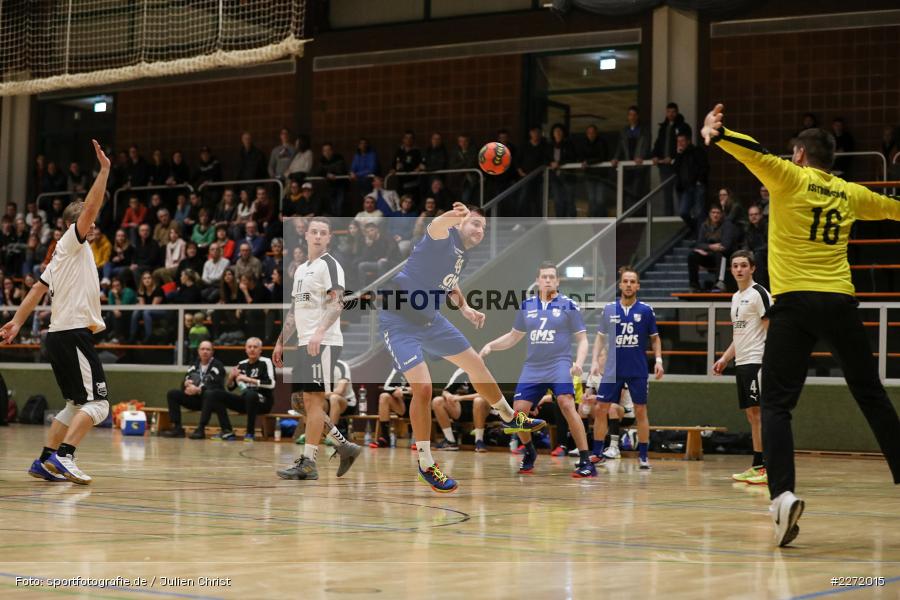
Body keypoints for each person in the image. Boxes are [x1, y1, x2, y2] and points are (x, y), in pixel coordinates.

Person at [701, 103, 900, 547]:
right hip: (841, 301)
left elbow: (753, 153)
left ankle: (782, 496)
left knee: (775, 404)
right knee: (870, 394)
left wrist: (719, 132)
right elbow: (893, 209)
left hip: (794, 303)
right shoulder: (850, 193)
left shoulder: (790, 177)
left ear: (800, 156)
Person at [378, 202, 546, 492]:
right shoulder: (442, 239)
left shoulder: (461, 256)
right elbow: (436, 225)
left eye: (483, 227)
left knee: (476, 366)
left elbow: (450, 284)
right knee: (424, 389)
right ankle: (426, 464)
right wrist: (454, 215)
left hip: (431, 319)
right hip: (399, 321)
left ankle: (509, 416)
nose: (480, 230)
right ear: (460, 225)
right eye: (475, 223)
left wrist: (466, 309)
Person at [1, 139, 111, 485]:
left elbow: (36, 289)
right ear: (74, 223)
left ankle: (46, 460)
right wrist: (105, 170)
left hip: (60, 336)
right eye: (87, 221)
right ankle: (65, 456)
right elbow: (91, 208)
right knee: (98, 405)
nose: (93, 224)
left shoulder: (63, 255)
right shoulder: (71, 241)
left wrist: (17, 321)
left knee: (75, 403)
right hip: (74, 333)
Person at [480, 262, 595, 477]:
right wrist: (491, 345)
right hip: (533, 367)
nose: (548, 280)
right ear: (538, 280)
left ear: (558, 281)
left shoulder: (568, 305)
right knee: (518, 414)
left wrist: (579, 362)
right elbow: (513, 337)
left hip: (559, 363)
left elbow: (582, 339)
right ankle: (530, 451)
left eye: (552, 277)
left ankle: (585, 459)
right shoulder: (527, 306)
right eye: (544, 277)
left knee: (567, 403)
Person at [274, 217, 362, 481]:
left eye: (323, 233)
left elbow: (337, 303)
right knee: (300, 402)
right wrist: (281, 340)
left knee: (313, 401)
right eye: (314, 232)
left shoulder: (330, 266)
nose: (318, 236)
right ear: (306, 235)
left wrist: (320, 333)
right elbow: (294, 309)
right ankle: (344, 446)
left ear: (329, 238)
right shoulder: (301, 269)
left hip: (322, 342)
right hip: (303, 342)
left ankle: (308, 462)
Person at [590, 267, 664, 470]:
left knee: (641, 410)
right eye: (626, 281)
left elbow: (655, 339)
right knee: (600, 408)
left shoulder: (646, 310)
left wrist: (658, 361)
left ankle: (643, 455)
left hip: (637, 368)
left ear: (638, 286)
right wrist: (595, 360)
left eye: (633, 281)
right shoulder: (609, 309)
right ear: (620, 284)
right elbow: (600, 338)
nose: (629, 284)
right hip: (613, 369)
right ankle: (597, 453)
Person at [712, 250, 771, 486]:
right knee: (751, 415)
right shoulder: (736, 297)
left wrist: (772, 361)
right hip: (742, 361)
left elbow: (770, 328)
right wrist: (725, 359)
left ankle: (767, 466)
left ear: (753, 268)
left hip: (758, 360)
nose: (739, 269)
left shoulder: (759, 294)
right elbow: (740, 334)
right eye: (735, 266)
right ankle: (758, 465)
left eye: (743, 265)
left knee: (759, 414)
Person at [205, 337, 277, 441]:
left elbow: (271, 384)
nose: (252, 349)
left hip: (263, 402)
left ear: (260, 350)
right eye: (249, 347)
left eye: (255, 347)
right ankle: (227, 431)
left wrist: (248, 379)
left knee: (250, 394)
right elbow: (230, 388)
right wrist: (230, 378)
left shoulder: (266, 362)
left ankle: (250, 433)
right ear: (246, 349)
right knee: (215, 394)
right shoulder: (242, 364)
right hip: (245, 401)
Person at [159, 340, 227, 438]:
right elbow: (185, 381)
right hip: (196, 400)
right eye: (202, 349)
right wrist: (186, 384)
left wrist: (199, 389)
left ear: (212, 352)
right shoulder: (194, 365)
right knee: (172, 393)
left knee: (209, 394)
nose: (205, 352)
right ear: (198, 351)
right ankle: (177, 428)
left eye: (208, 349)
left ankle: (201, 429)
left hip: (212, 402)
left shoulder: (218, 365)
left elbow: (214, 385)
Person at [430, 368, 493, 453]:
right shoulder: (461, 372)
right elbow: (445, 392)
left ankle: (479, 441)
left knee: (479, 400)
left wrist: (460, 397)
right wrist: (449, 396)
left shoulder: (484, 371)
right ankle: (450, 441)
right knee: (437, 401)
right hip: (463, 408)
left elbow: (485, 393)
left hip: (483, 409)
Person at [372, 367, 412, 448]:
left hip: (418, 403)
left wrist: (402, 390)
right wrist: (397, 391)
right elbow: (386, 386)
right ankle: (385, 437)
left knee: (421, 396)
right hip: (402, 405)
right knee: (384, 396)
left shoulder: (419, 365)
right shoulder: (398, 367)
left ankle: (418, 439)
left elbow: (421, 388)